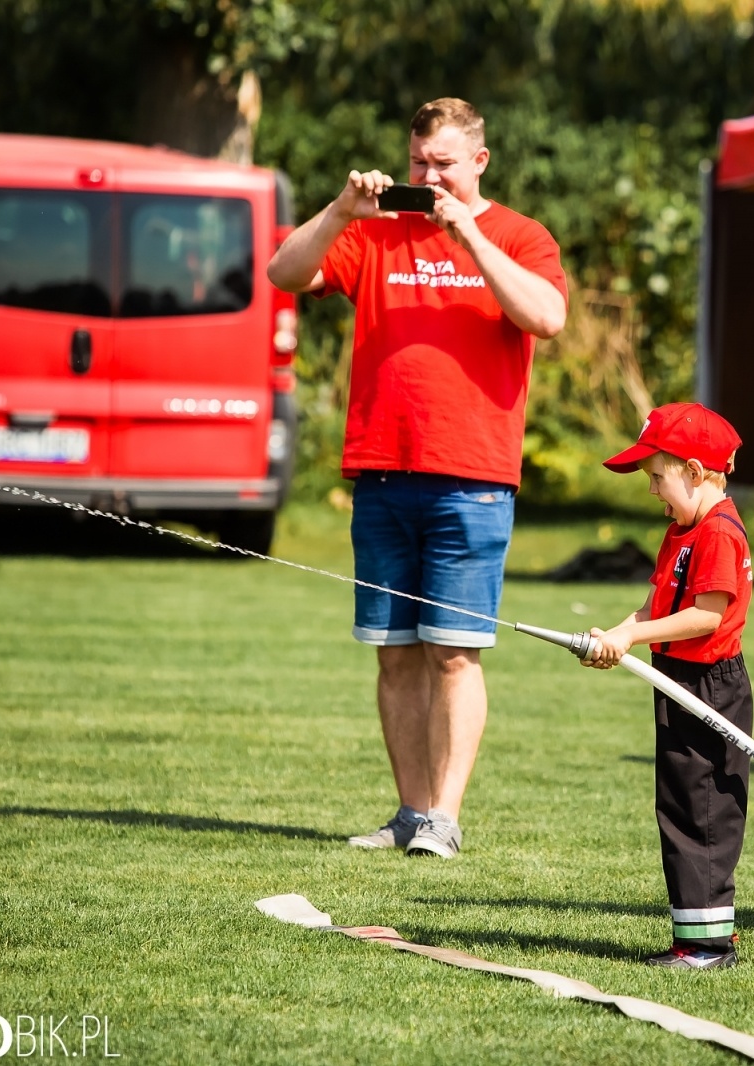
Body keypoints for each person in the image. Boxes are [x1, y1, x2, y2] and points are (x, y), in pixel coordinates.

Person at [267, 98, 567, 859]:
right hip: (380, 472)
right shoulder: (372, 232)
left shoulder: (519, 236)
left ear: (479, 162)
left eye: (443, 164)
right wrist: (340, 211)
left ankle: (444, 819)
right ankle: (408, 813)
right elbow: (283, 272)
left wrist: (466, 231)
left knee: (454, 652)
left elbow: (547, 318)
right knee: (395, 652)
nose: (428, 177)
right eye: (418, 163)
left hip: (472, 477)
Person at [581, 403, 754, 970]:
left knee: (703, 812)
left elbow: (705, 616)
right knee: (678, 808)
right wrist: (619, 634)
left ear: (696, 472)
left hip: (710, 687)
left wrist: (635, 639)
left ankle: (708, 947)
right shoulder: (681, 532)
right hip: (677, 678)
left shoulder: (718, 534)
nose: (654, 490)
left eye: (658, 476)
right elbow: (660, 605)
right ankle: (694, 940)